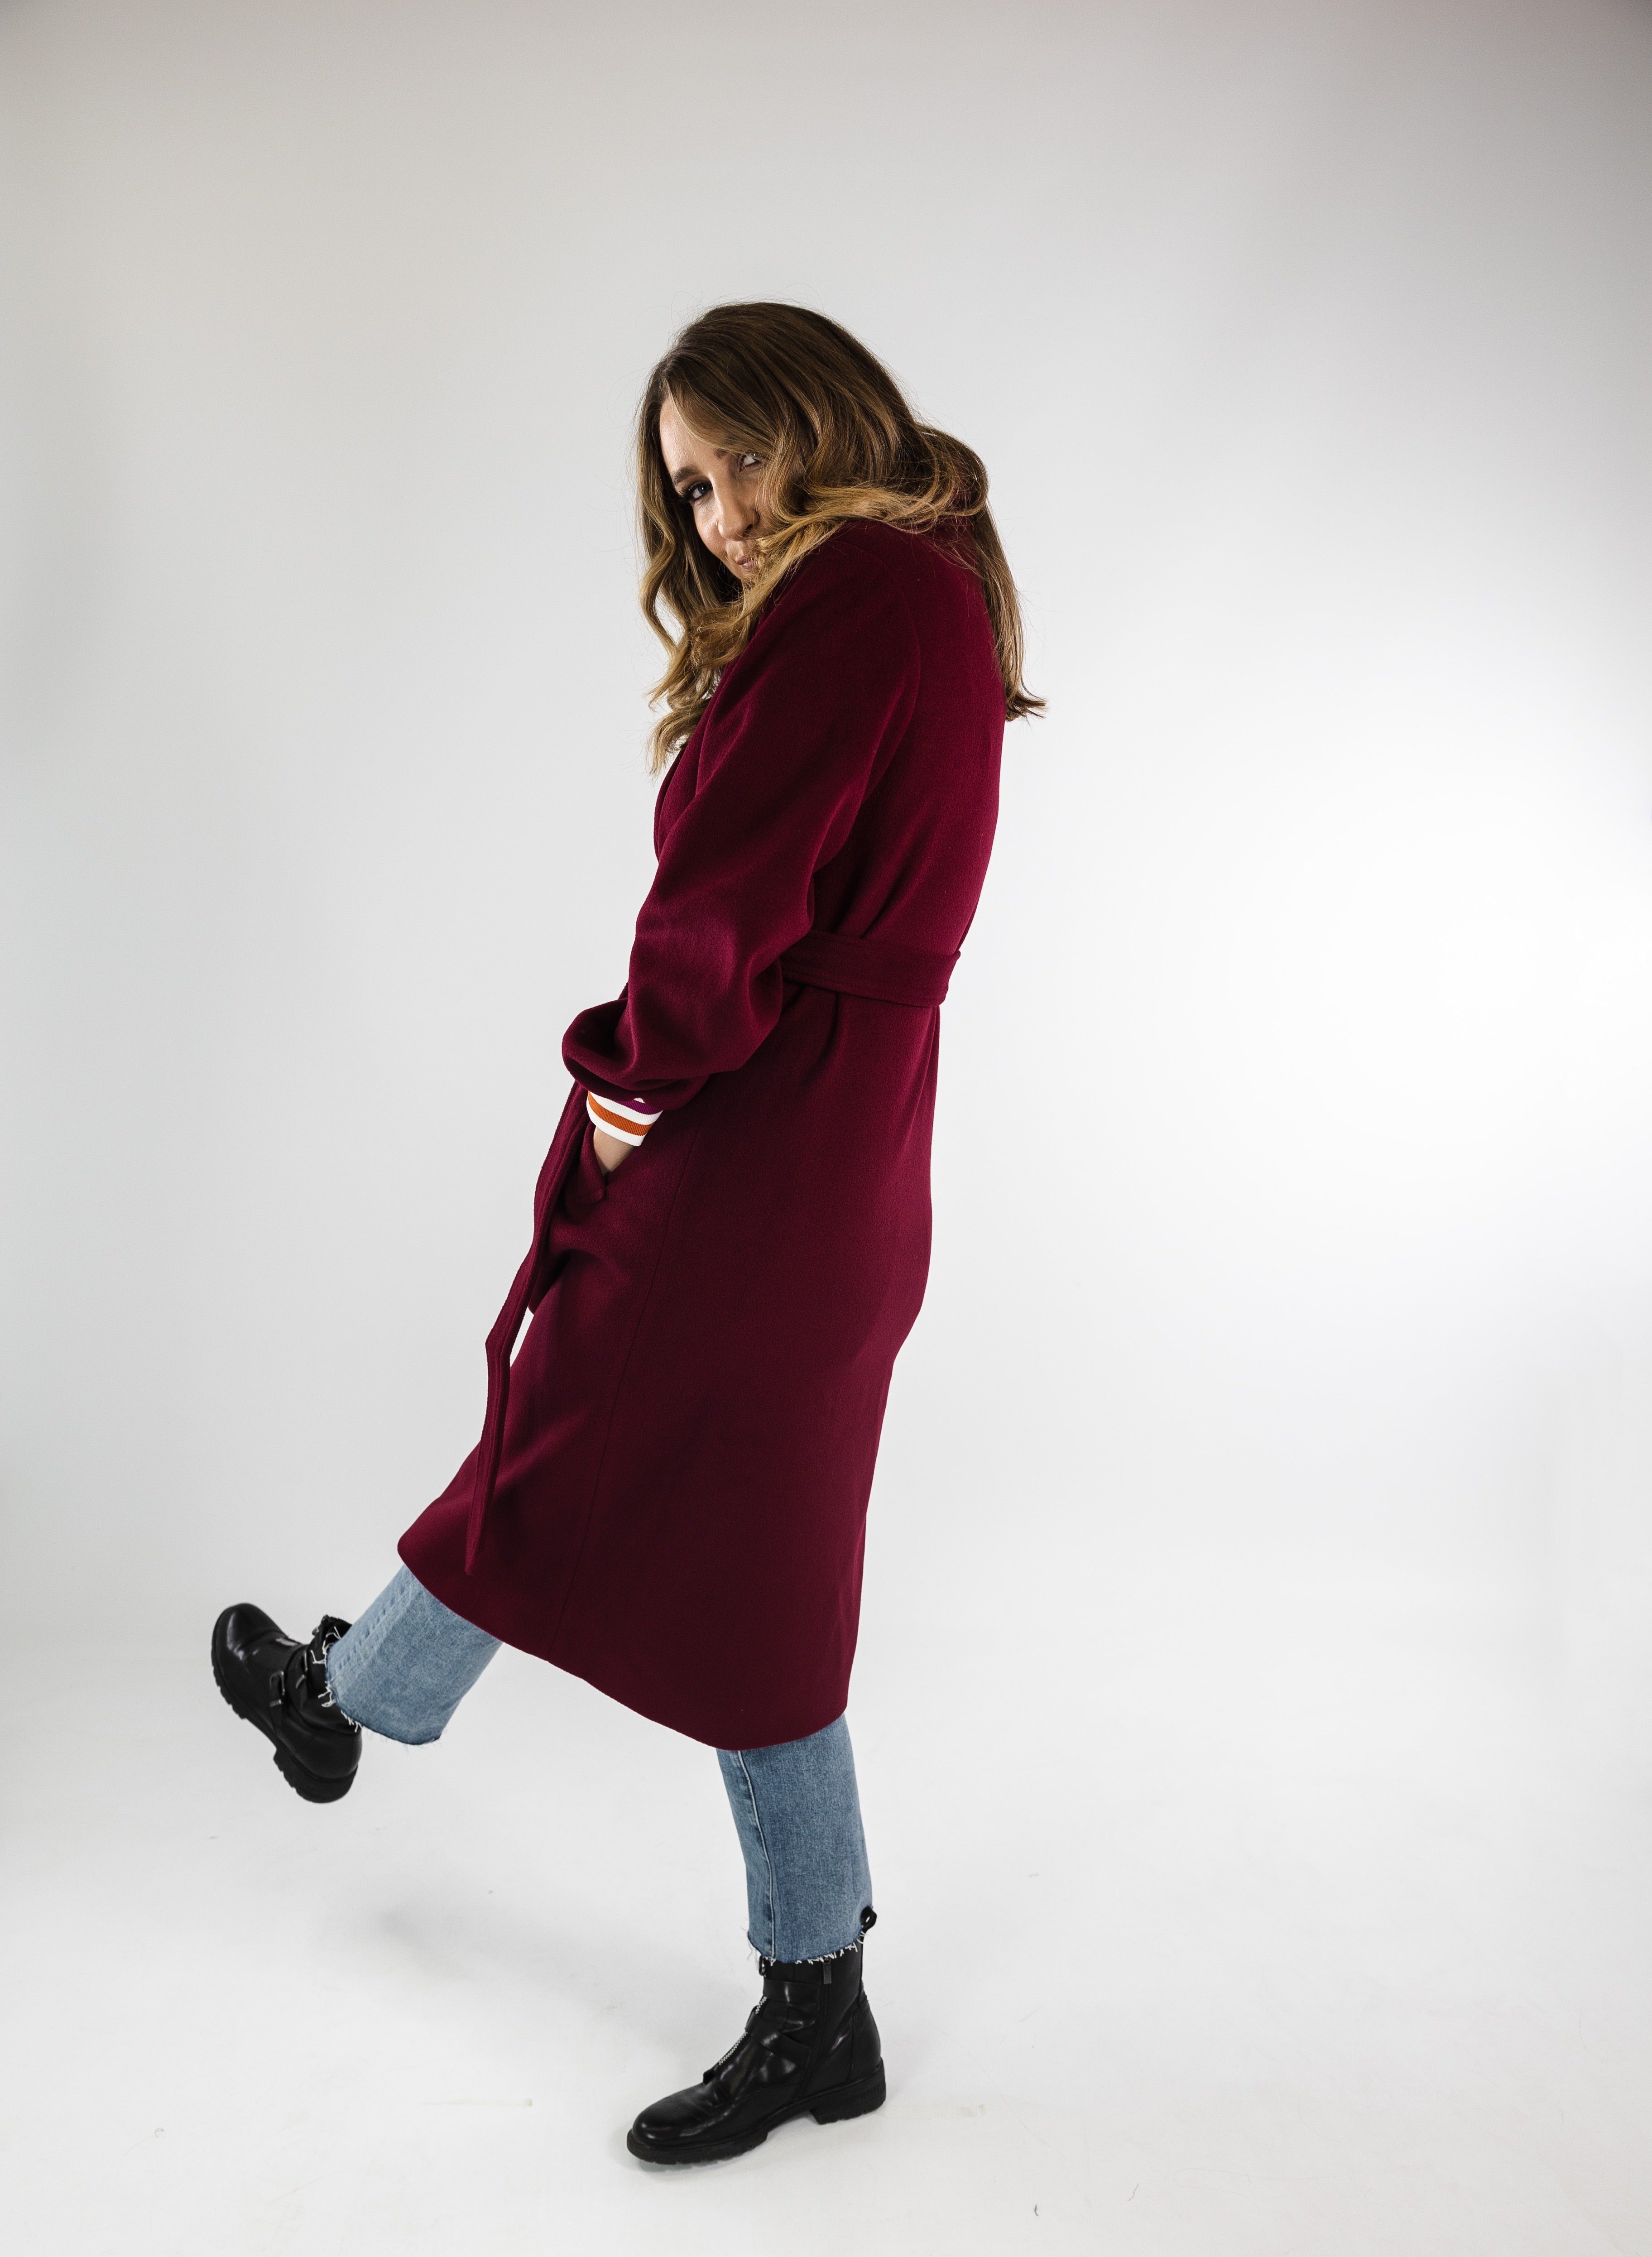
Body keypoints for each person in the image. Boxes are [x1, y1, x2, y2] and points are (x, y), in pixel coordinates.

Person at [211, 301, 1040, 2166]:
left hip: (761, 1136)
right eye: (689, 491)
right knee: (691, 1514)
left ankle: (361, 1715)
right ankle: (797, 1987)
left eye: (738, 461)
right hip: (850, 1137)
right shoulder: (937, 586)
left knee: (621, 1474)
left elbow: (734, 893)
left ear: (819, 417)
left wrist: (633, 1073)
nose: (721, 516)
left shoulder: (854, 596)